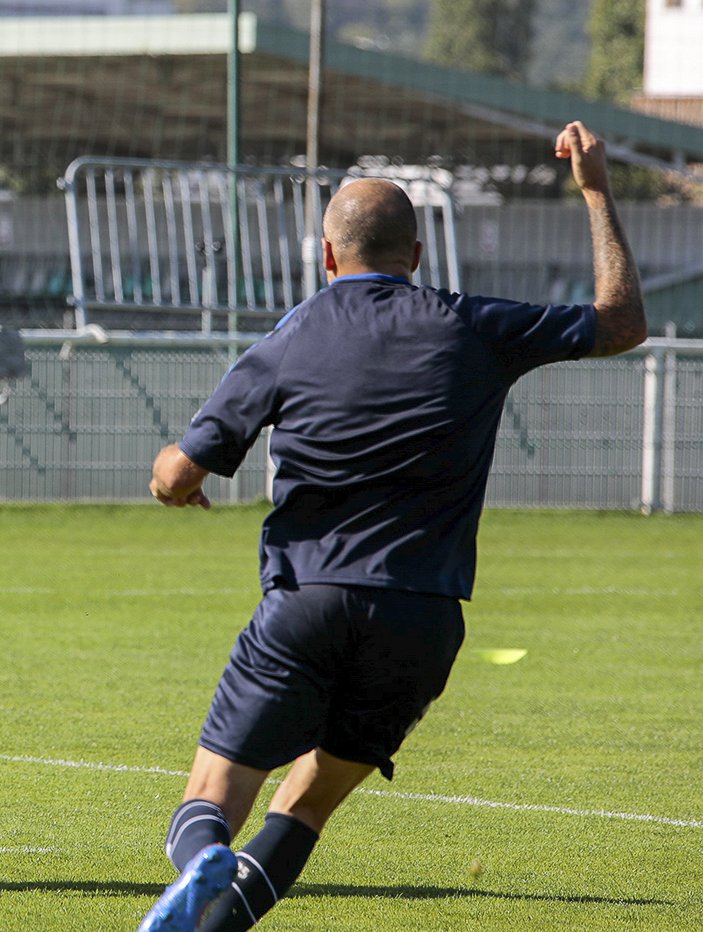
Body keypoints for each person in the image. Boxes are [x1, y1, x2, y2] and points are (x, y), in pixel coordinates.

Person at [135, 123, 646, 932]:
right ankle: (219, 924)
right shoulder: (472, 325)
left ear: (328, 258)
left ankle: (203, 857)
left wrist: (173, 480)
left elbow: (178, 472)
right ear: (415, 257)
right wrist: (594, 190)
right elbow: (620, 322)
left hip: (307, 600)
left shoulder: (289, 338)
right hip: (423, 615)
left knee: (213, 792)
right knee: (307, 802)